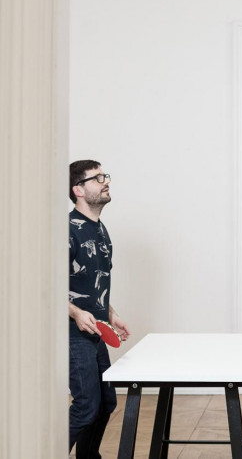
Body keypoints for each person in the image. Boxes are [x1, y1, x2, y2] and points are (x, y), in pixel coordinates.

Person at [68, 160, 130, 458]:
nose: (106, 181)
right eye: (97, 178)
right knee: (86, 406)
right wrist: (75, 313)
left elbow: (93, 281)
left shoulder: (100, 229)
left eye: (105, 176)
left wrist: (111, 313)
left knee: (106, 403)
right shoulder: (66, 230)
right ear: (78, 190)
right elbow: (44, 285)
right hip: (72, 333)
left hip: (96, 330)